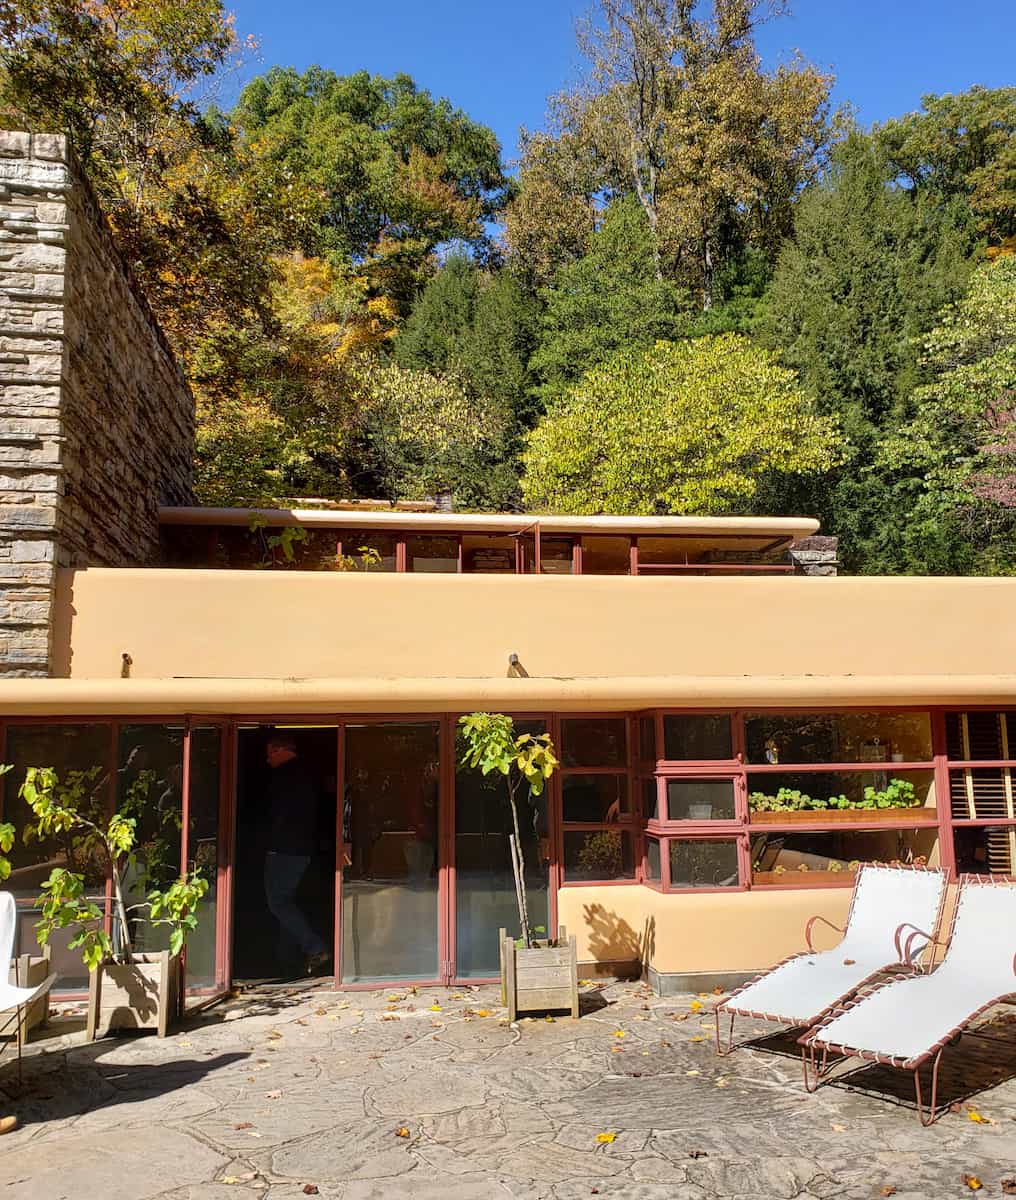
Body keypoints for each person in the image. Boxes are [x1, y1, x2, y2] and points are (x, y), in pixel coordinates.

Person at [263, 733, 329, 975]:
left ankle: (314, 947)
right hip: (301, 848)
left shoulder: (285, 777)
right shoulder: (307, 774)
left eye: (270, 753)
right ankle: (287, 958)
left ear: (282, 750)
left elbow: (277, 816)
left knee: (278, 902)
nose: (267, 759)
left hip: (284, 848)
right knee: (286, 902)